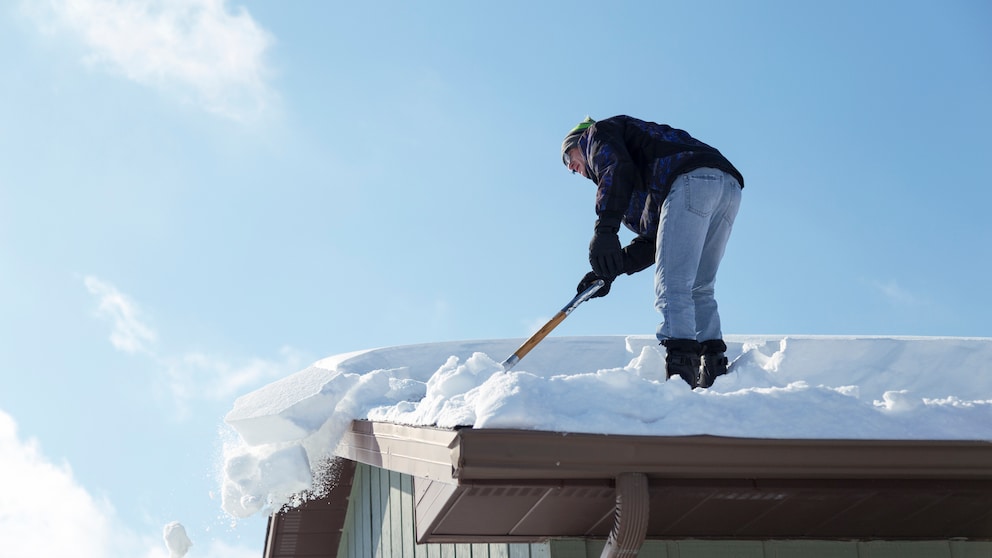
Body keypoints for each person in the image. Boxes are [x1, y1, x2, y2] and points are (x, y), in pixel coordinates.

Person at [561, 115, 743, 388]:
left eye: (568, 157)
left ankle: (681, 376)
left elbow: (614, 167)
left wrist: (605, 230)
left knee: (673, 284)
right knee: (698, 286)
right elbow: (656, 240)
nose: (572, 168)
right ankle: (713, 369)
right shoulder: (639, 177)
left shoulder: (598, 135)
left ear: (580, 141)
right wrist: (611, 269)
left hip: (690, 178)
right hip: (726, 186)